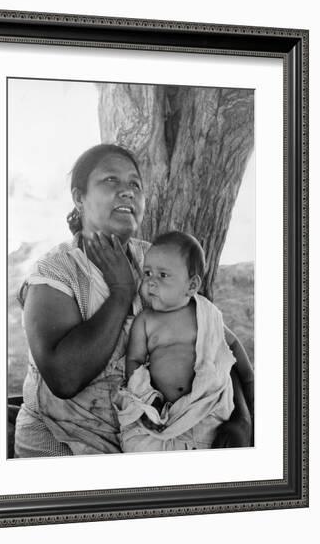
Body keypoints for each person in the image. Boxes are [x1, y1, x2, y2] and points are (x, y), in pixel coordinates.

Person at [14, 144, 252, 457]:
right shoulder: (56, 273)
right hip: (67, 442)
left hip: (156, 437)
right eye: (111, 181)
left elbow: (211, 341)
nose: (127, 192)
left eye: (135, 184)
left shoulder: (154, 261)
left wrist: (242, 418)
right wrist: (121, 290)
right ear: (79, 198)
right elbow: (64, 378)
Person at [115, 231, 254, 452]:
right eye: (147, 273)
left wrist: (249, 383)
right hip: (159, 412)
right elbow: (134, 361)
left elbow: (233, 346)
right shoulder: (146, 321)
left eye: (163, 275)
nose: (151, 282)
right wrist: (146, 401)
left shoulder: (205, 314)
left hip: (205, 407)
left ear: (191, 286)